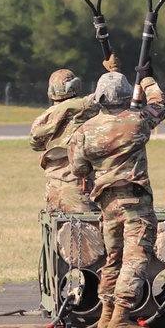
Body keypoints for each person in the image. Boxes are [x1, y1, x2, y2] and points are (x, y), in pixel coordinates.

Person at [69, 68, 165, 328]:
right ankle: (121, 318)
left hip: (106, 203)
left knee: (113, 258)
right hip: (135, 202)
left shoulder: (84, 131)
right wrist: (146, 79)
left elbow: (78, 169)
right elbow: (160, 106)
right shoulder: (137, 121)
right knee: (135, 259)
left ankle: (105, 317)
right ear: (126, 95)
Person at [29, 63, 116, 214]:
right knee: (85, 233)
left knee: (58, 231)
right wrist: (113, 73)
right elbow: (105, 96)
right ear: (75, 85)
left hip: (53, 188)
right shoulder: (83, 108)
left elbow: (35, 144)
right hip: (77, 186)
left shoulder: (43, 118)